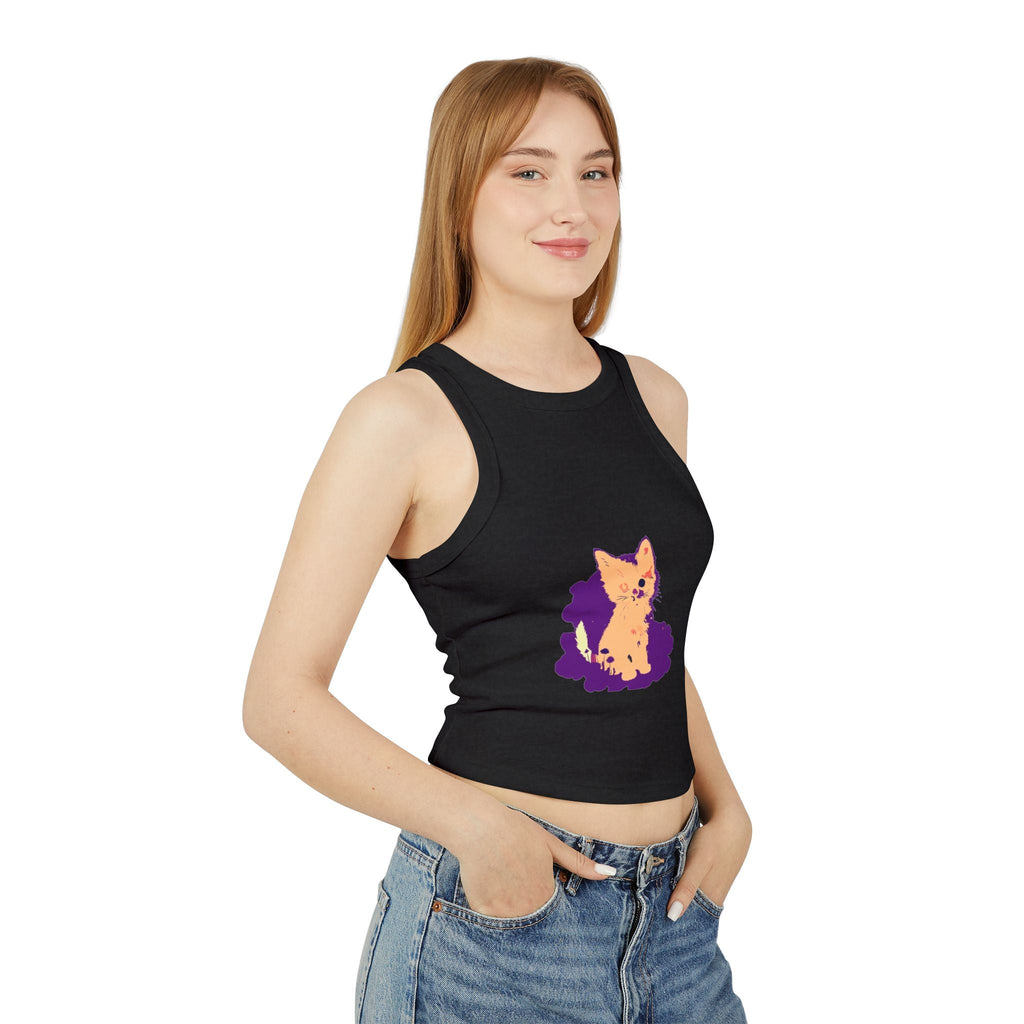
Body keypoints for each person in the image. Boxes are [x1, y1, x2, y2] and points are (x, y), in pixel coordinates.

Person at [243, 56, 751, 1024]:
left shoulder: (655, 397)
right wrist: (479, 829)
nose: (572, 205)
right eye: (528, 171)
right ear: (459, 196)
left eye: (595, 172)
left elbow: (647, 643)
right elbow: (278, 699)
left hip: (677, 923)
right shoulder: (402, 418)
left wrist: (727, 808)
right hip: (499, 930)